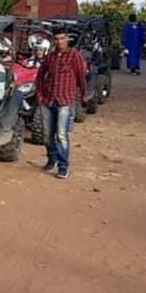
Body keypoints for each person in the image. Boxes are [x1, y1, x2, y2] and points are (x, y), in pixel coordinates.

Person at [35, 25, 89, 179]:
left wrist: (84, 95)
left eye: (62, 38)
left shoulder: (74, 56)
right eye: (57, 39)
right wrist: (39, 94)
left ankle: (63, 166)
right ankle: (51, 158)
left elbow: (81, 77)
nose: (59, 42)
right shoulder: (50, 57)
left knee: (61, 134)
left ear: (67, 39)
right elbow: (40, 76)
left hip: (65, 100)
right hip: (48, 100)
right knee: (47, 134)